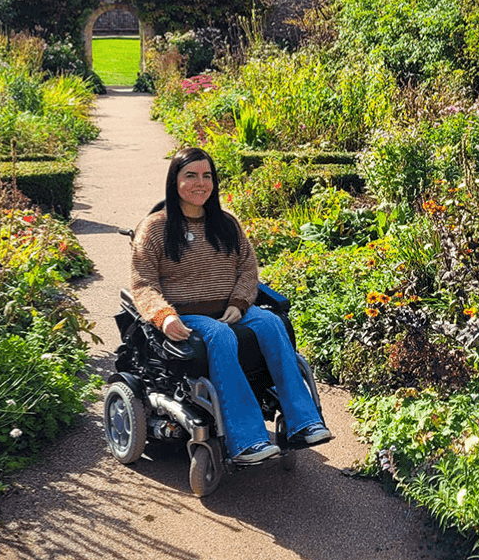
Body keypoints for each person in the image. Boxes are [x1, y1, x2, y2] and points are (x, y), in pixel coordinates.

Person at [130, 146, 333, 467]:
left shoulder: (226, 223)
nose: (200, 183)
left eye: (207, 176)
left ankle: (304, 422)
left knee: (271, 323)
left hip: (229, 307)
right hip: (186, 312)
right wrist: (164, 317)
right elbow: (143, 284)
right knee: (220, 336)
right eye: (191, 176)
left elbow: (248, 270)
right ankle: (247, 440)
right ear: (174, 181)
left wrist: (240, 302)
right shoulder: (154, 228)